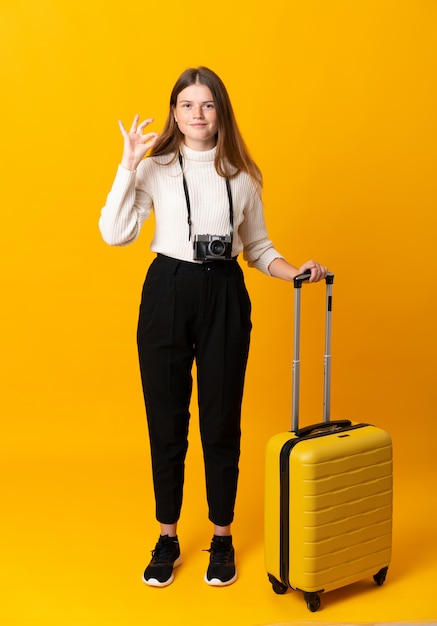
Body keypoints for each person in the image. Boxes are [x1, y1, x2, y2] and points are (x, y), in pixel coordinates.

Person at [99, 66, 328, 588]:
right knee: (167, 420)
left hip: (224, 290)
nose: (197, 115)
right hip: (167, 290)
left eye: (207, 105)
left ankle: (222, 536)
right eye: (186, 105)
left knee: (221, 418)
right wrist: (127, 165)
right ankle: (168, 536)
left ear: (220, 112)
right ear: (173, 112)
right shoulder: (153, 166)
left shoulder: (243, 175)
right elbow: (115, 233)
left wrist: (296, 271)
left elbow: (259, 248)